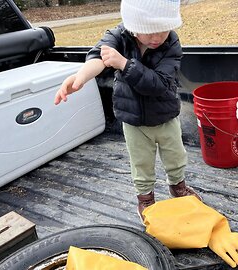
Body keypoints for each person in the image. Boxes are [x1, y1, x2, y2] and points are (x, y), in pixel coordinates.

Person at [54, 0, 201, 223]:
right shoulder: (118, 36)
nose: (156, 37)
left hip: (165, 115)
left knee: (175, 156)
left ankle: (177, 187)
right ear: (133, 25)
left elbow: (158, 84)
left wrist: (124, 63)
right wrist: (81, 78)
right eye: (149, 31)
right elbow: (98, 57)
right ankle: (145, 198)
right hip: (133, 120)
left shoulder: (171, 43)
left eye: (162, 30)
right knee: (141, 162)